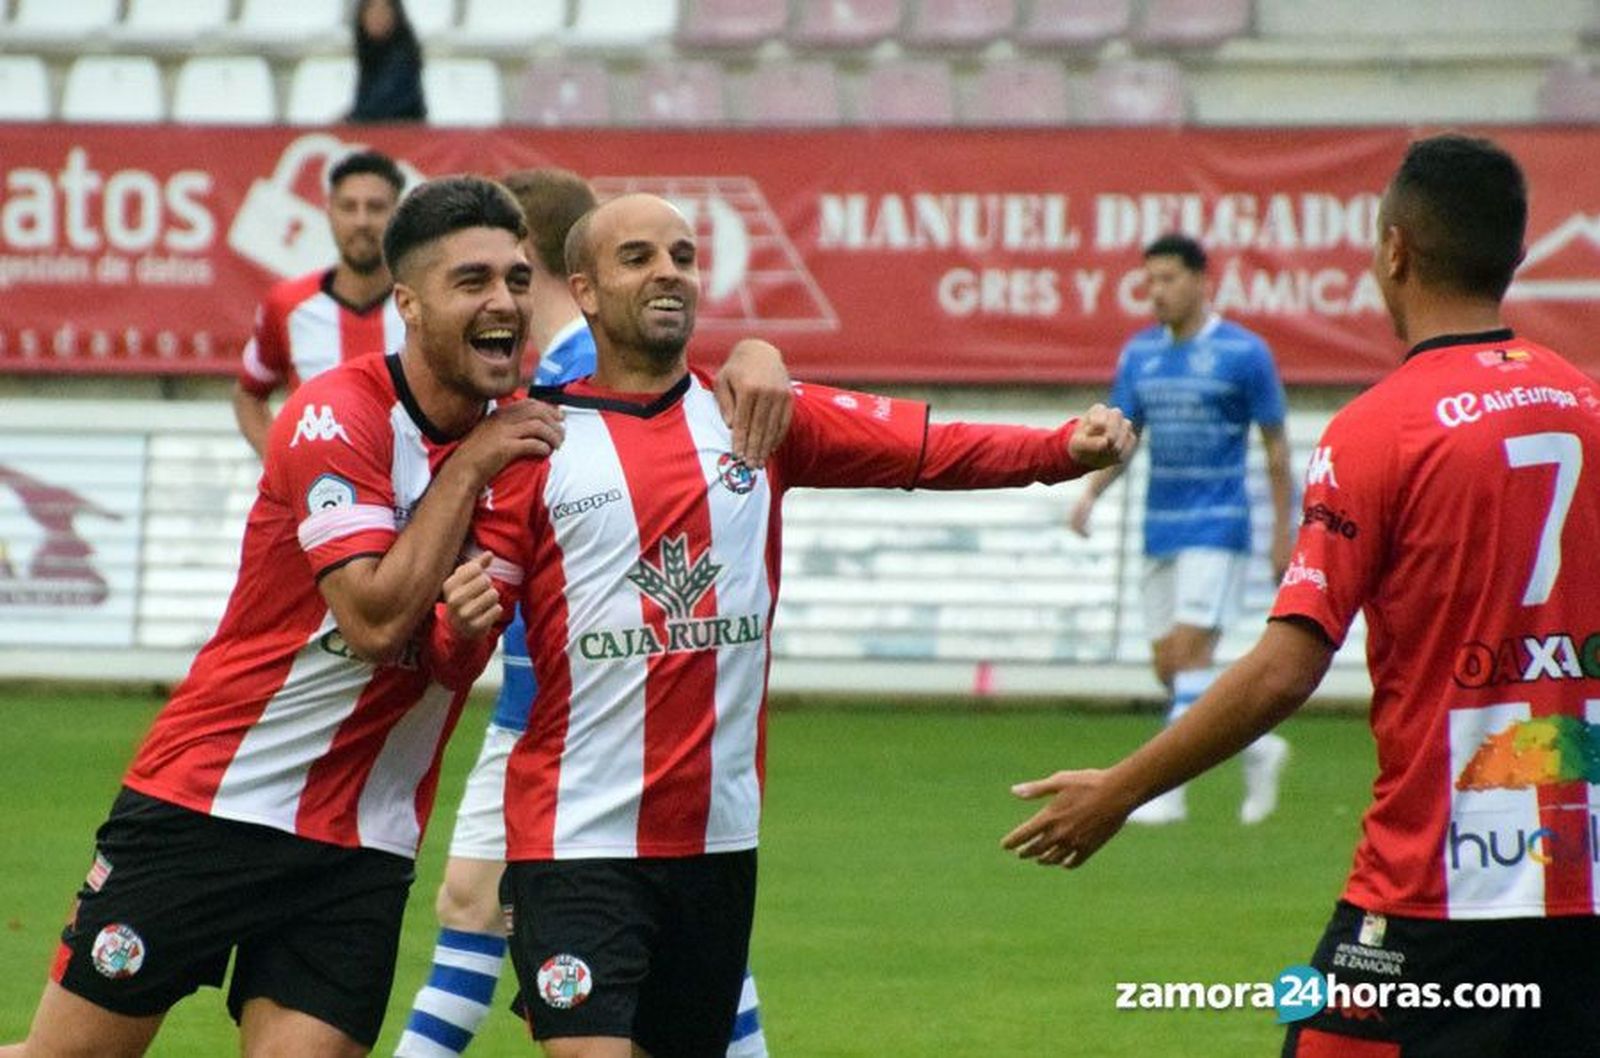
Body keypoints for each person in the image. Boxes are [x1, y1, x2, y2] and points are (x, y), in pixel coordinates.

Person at [436, 193, 1134, 1058]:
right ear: (582, 288)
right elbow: (450, 643)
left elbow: (931, 450)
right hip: (572, 840)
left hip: (719, 842)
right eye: (639, 257)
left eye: (684, 257)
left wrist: (1064, 447)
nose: (668, 273)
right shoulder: (533, 445)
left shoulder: (754, 417)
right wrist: (460, 622)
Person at [1006, 134, 1600, 1057]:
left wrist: (1118, 791)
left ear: (1394, 250)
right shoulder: (1590, 408)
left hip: (1437, 884)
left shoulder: (1377, 430)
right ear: (1515, 258)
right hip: (1584, 877)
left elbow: (1287, 669)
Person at [1, 176, 565, 1058]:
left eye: (518, 278)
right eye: (473, 281)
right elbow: (374, 621)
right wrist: (469, 468)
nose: (504, 302)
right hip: (212, 799)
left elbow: (447, 659)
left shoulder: (523, 446)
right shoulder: (337, 415)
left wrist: (466, 621)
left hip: (363, 839)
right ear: (409, 305)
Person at [394, 169, 787, 1058]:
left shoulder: (576, 371)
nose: (497, 296)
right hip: (567, 705)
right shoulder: (563, 367)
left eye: (504, 273)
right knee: (640, 929)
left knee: (499, 906)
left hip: (574, 717)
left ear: (540, 269)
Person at [1069, 232, 1294, 825]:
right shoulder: (1139, 355)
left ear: (1202, 281)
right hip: (1159, 525)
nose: (1158, 292)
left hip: (1218, 525)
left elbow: (1275, 448)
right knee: (1170, 665)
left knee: (1192, 654)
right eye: (1151, 281)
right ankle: (1260, 745)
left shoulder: (1245, 354)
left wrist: (1283, 532)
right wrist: (1090, 492)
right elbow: (1124, 439)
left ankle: (1163, 793)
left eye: (1169, 279)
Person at [233, 149, 407, 458]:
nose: (362, 221)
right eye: (349, 207)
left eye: (376, 207)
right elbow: (249, 395)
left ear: (399, 214)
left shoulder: (426, 303)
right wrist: (281, 464)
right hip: (319, 499)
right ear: (328, 213)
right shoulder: (287, 304)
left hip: (413, 501)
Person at [349, 0, 426, 124]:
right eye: (370, 9)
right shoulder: (368, 55)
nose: (377, 16)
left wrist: (349, 122)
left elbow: (379, 109)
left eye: (384, 10)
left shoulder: (403, 58)